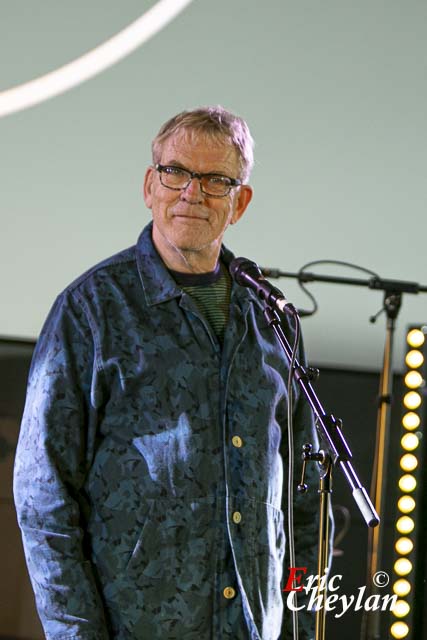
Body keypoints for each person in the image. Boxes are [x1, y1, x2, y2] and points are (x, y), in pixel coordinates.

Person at [14, 106, 321, 639]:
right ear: (149, 186)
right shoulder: (91, 311)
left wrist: (295, 620)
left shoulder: (272, 318)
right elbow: (43, 492)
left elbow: (304, 491)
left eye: (216, 180)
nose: (191, 193)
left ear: (239, 202)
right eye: (176, 172)